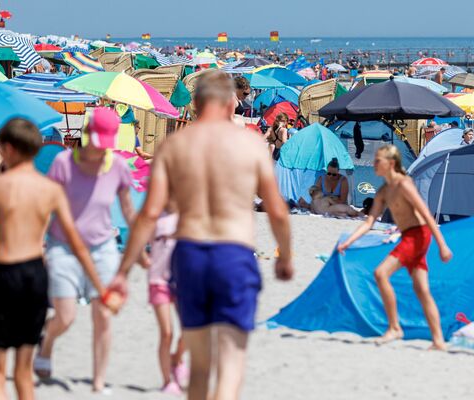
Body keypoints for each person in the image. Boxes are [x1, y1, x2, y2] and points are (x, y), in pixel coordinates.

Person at [107, 70, 294, 400]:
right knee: (231, 362)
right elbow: (277, 210)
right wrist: (286, 257)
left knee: (200, 365)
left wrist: (122, 273)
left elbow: (149, 214)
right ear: (230, 103)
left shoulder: (175, 145)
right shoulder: (249, 144)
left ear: (195, 103)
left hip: (189, 254)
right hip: (234, 254)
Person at [0, 119, 108, 400]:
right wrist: (100, 287)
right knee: (24, 373)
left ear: (9, 149)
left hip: (4, 275)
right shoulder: (50, 189)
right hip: (36, 277)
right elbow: (76, 242)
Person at [34, 108, 137, 393]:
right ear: (87, 133)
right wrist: (39, 243)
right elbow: (46, 206)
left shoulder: (118, 166)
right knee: (66, 316)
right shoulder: (64, 163)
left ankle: (98, 381)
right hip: (63, 247)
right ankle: (47, 343)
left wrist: (141, 248)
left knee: (103, 315)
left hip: (103, 248)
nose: (100, 150)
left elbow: (129, 211)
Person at [337, 145, 452, 349]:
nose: (374, 164)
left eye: (378, 160)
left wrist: (442, 245)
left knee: (381, 274)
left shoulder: (404, 184)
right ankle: (438, 340)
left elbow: (426, 214)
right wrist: (348, 242)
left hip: (418, 235)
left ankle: (394, 328)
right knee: (422, 290)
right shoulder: (383, 191)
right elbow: (369, 222)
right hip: (409, 235)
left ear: (391, 164)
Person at [147, 205, 188, 395]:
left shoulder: (187, 214)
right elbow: (138, 237)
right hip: (158, 281)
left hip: (183, 280)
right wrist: (143, 259)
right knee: (166, 333)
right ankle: (167, 381)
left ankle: (176, 359)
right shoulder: (154, 215)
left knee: (189, 330)